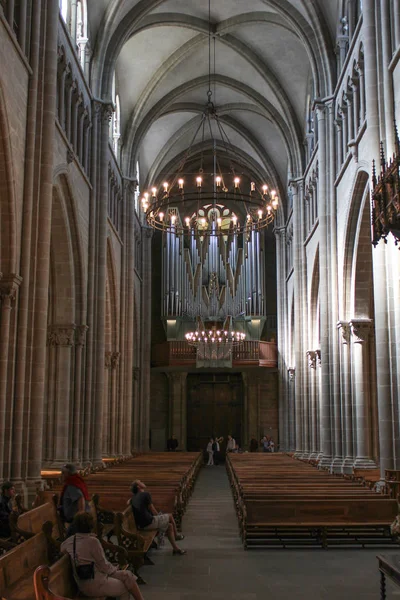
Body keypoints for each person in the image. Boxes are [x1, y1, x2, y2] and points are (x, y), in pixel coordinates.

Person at [61, 511, 144, 600]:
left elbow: (62, 550)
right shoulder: (93, 541)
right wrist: (115, 568)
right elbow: (103, 565)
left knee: (127, 575)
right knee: (124, 586)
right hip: (95, 584)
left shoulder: (70, 541)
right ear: (91, 526)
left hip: (87, 581)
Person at [130, 480, 186, 555]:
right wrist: (159, 517)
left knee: (169, 526)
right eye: (140, 482)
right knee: (170, 516)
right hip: (148, 523)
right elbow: (152, 509)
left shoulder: (134, 497)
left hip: (141, 524)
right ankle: (176, 536)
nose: (142, 482)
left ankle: (175, 548)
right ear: (138, 486)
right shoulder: (145, 494)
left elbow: (129, 502)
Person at [59, 464, 90, 533]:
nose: (61, 475)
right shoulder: (77, 481)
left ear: (68, 474)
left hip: (74, 520)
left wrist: (80, 518)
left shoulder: (72, 484)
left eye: (63, 473)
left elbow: (80, 498)